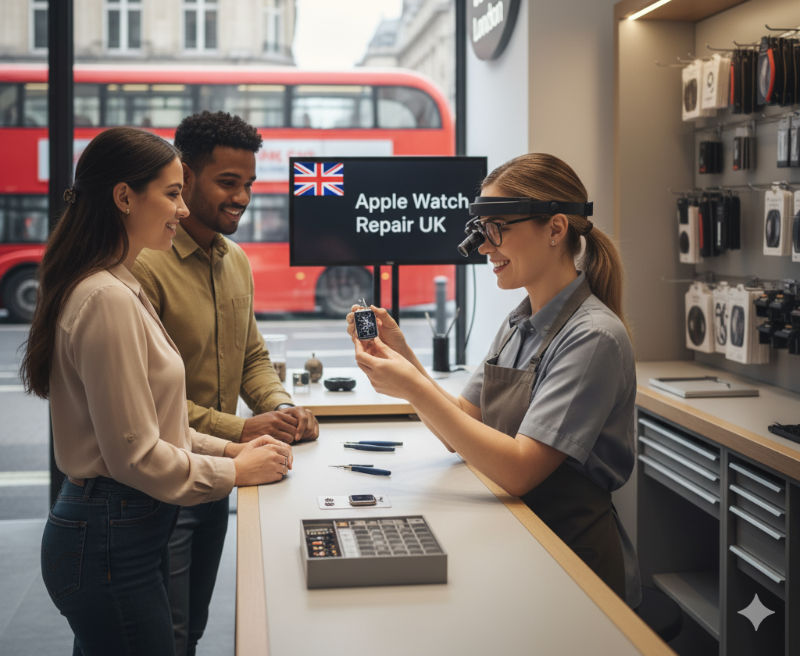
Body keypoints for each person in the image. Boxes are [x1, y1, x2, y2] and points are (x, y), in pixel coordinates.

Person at [22, 127, 293, 656]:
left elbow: (153, 420)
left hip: (119, 529)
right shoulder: (107, 296)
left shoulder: (118, 284)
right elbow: (135, 455)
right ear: (124, 197)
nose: (182, 209)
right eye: (171, 194)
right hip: (111, 533)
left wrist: (232, 448)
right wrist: (235, 468)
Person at [347, 153, 641, 607]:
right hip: (519, 533)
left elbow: (521, 470)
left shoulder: (594, 338)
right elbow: (463, 425)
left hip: (570, 558)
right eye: (482, 232)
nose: (485, 248)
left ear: (556, 229)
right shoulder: (520, 321)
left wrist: (411, 386)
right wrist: (405, 358)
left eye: (497, 229)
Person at [131, 110, 319, 656]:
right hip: (159, 485)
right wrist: (244, 426)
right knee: (158, 637)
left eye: (249, 184)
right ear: (185, 178)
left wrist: (281, 407)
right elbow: (147, 400)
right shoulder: (145, 266)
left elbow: (252, 356)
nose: (243, 197)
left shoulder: (234, 259)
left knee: (189, 629)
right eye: (228, 183)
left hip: (219, 475)